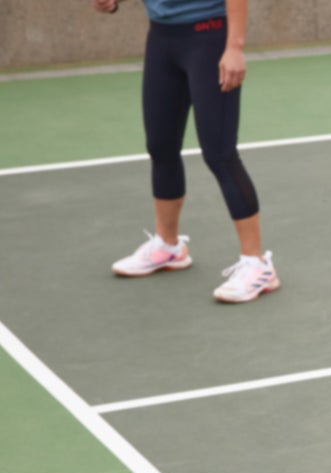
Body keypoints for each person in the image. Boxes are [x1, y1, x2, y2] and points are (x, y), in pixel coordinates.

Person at [94, 0, 279, 303]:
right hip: (162, 39)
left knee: (220, 153)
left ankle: (257, 264)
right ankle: (168, 247)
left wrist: (234, 47)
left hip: (209, 38)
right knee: (161, 146)